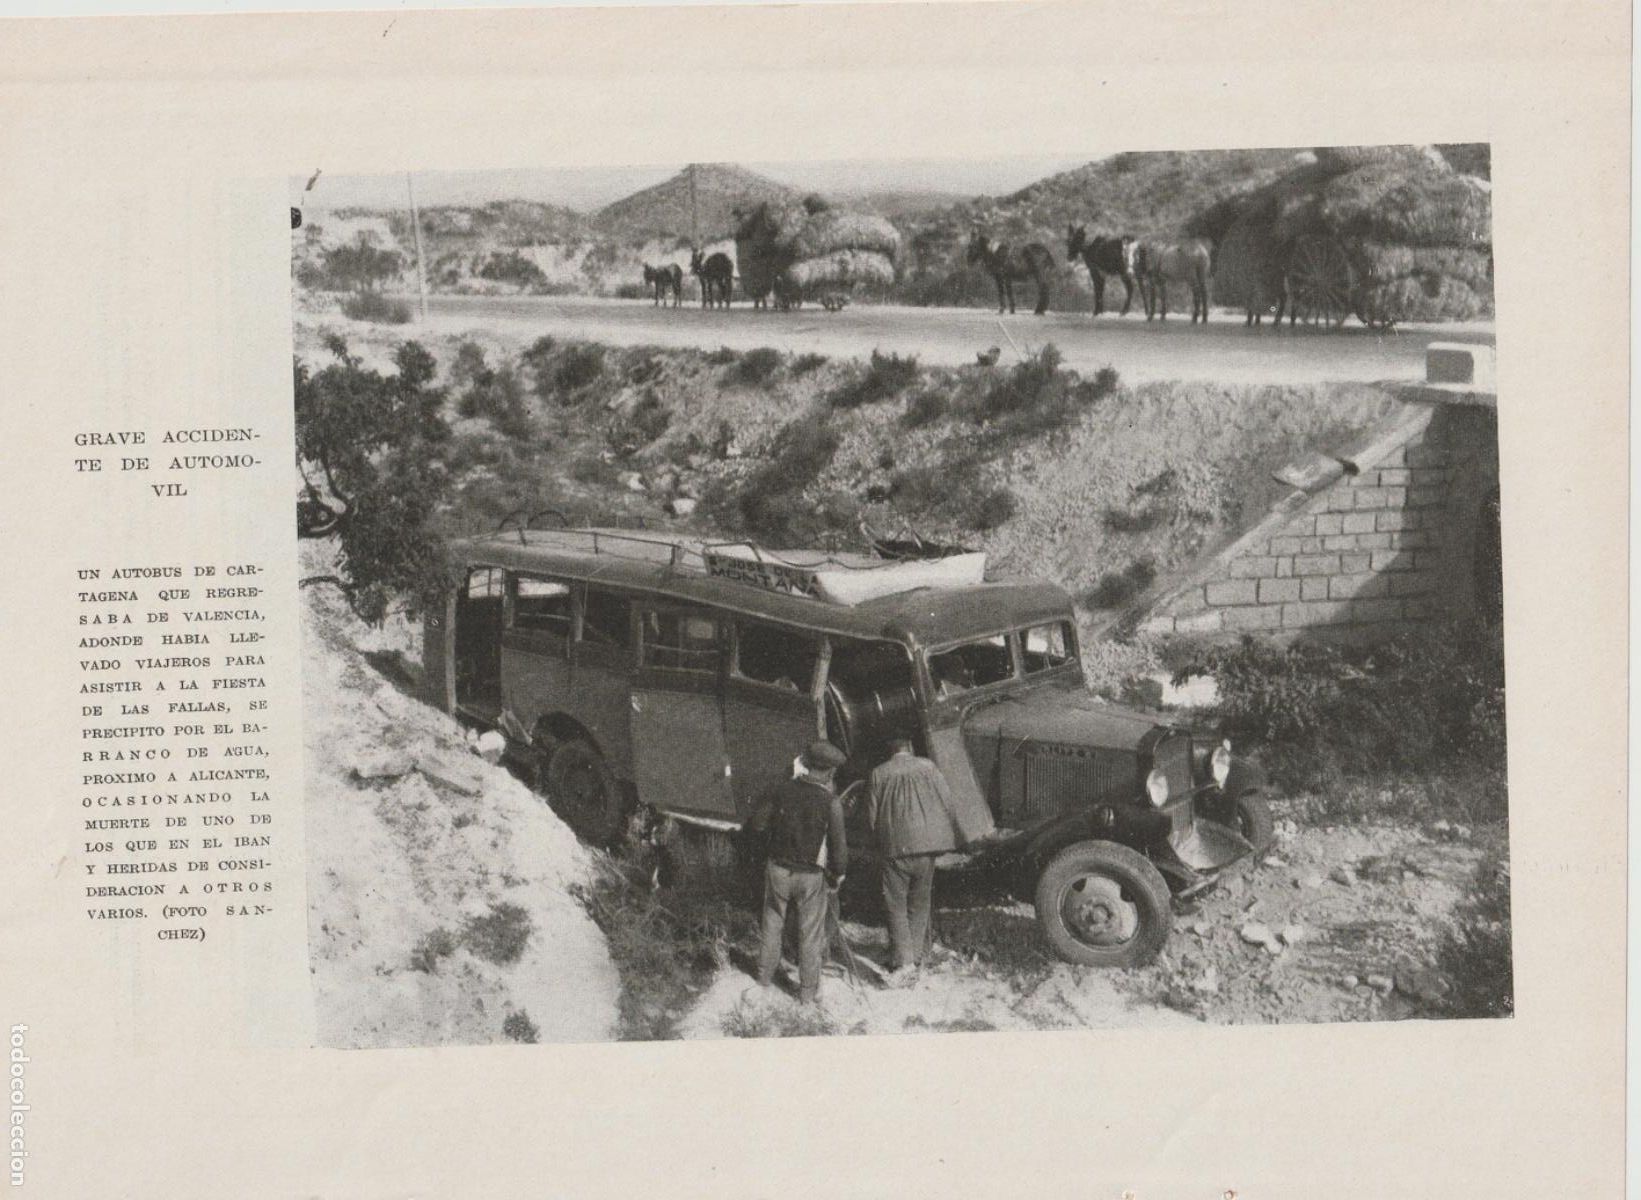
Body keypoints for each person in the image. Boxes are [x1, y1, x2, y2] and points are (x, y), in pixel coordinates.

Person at [743, 739, 849, 1004]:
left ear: (807, 763)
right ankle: (806, 995)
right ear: (831, 772)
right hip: (811, 875)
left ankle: (763, 980)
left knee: (772, 924)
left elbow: (757, 824)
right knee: (810, 934)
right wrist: (837, 874)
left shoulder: (782, 790)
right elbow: (839, 849)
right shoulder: (831, 802)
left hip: (778, 869)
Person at [868, 737, 965, 984]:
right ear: (910, 748)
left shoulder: (879, 773)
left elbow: (872, 815)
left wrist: (879, 841)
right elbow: (948, 802)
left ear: (891, 752)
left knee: (896, 904)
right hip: (927, 847)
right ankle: (919, 956)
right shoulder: (929, 767)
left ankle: (904, 961)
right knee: (920, 902)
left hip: (895, 848)